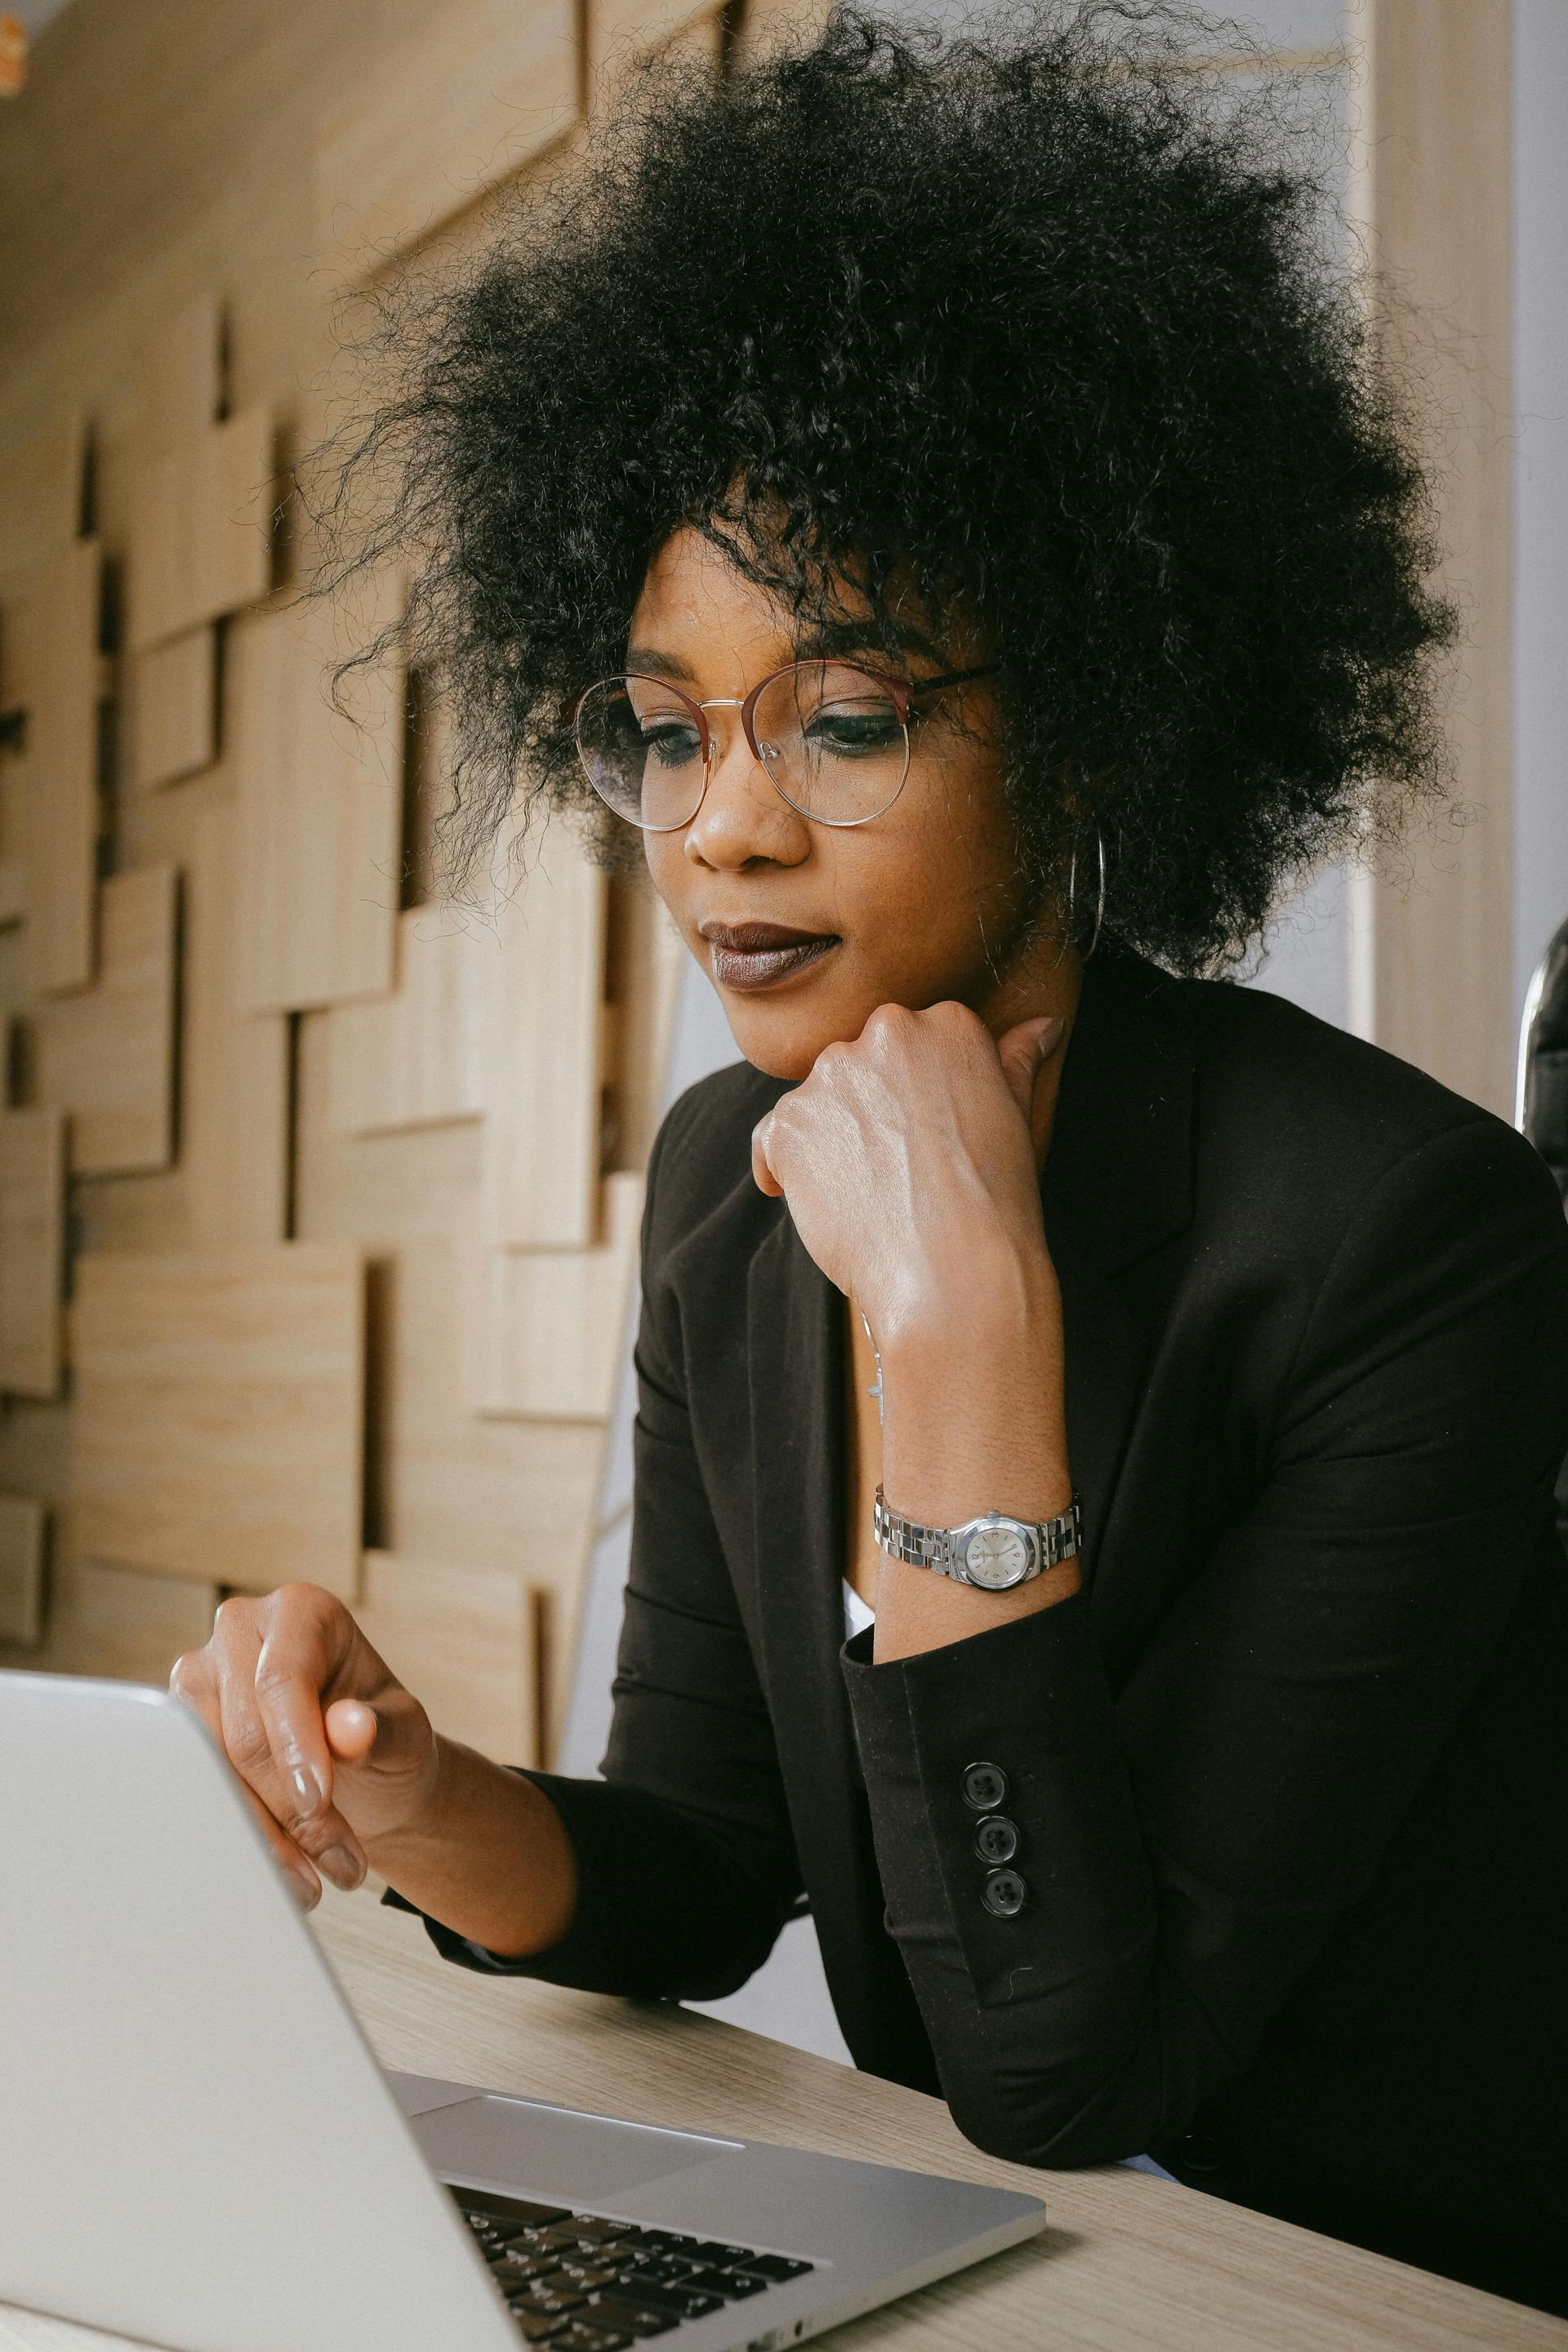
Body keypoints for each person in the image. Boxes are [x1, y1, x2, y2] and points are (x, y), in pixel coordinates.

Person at [173, 6, 1568, 2314]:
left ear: (1098, 724)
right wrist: (428, 1805)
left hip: (1377, 2278)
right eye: (666, 729)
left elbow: (1075, 2068)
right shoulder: (734, 1183)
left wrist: (960, 1340)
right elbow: (717, 1865)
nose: (724, 824)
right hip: (1028, 2260)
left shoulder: (1404, 1243)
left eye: (848, 717)